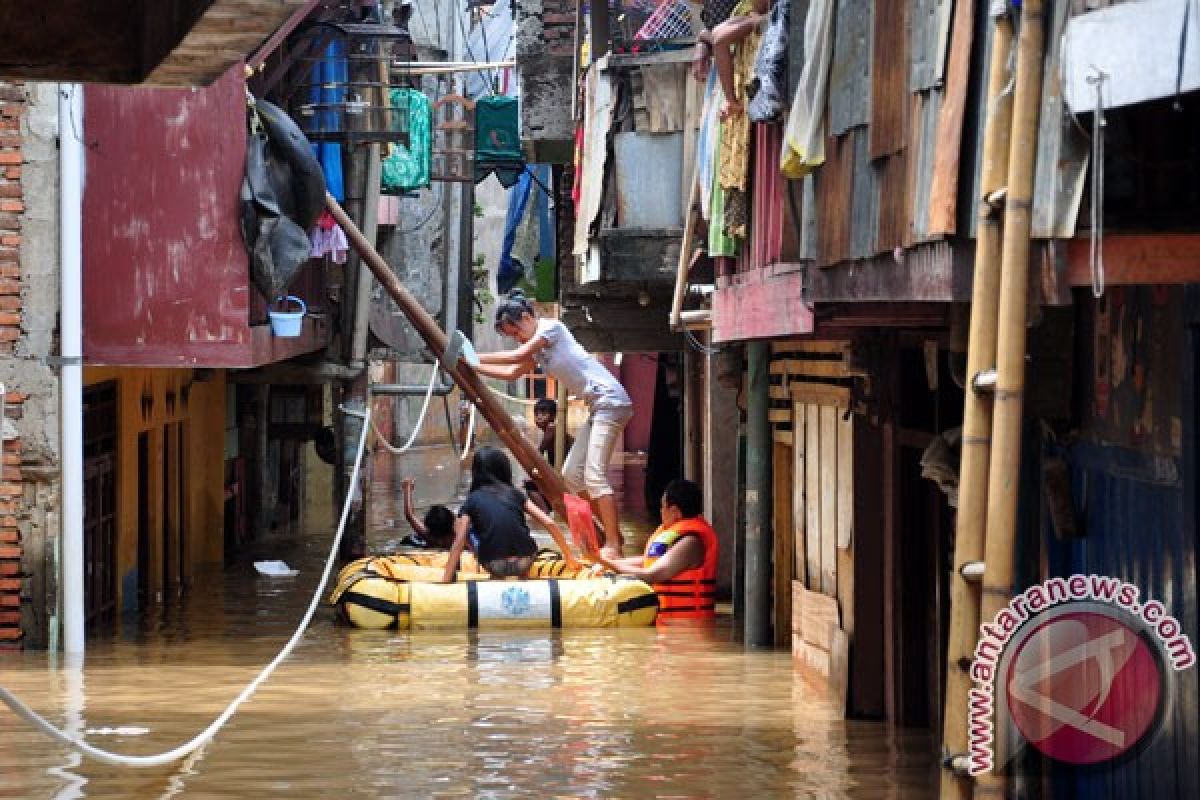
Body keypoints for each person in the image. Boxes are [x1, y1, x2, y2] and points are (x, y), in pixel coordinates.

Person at [472, 289, 634, 559]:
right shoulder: (539, 350)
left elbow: (515, 357)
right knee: (571, 476)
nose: (517, 339)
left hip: (611, 402)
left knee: (594, 477)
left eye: (516, 332)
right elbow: (512, 371)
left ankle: (614, 546)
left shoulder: (552, 329)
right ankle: (611, 533)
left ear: (526, 317)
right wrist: (473, 367)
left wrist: (474, 357)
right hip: (598, 407)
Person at [442, 446, 580, 582]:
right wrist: (569, 557)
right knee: (519, 534)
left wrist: (446, 581)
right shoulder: (515, 495)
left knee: (468, 531)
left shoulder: (472, 500)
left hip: (495, 565)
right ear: (504, 470)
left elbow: (459, 540)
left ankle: (496, 579)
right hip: (525, 561)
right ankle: (523, 578)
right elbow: (549, 522)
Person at [594, 479, 719, 623]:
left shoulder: (690, 543)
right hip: (670, 626)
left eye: (662, 506)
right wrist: (607, 562)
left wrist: (604, 562)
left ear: (674, 511)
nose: (660, 511)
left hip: (685, 629)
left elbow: (652, 574)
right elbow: (647, 561)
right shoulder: (680, 538)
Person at [398, 477, 455, 549]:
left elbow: (409, 515)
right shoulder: (458, 536)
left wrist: (407, 488)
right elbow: (409, 515)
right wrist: (407, 488)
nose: (440, 542)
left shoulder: (428, 536)